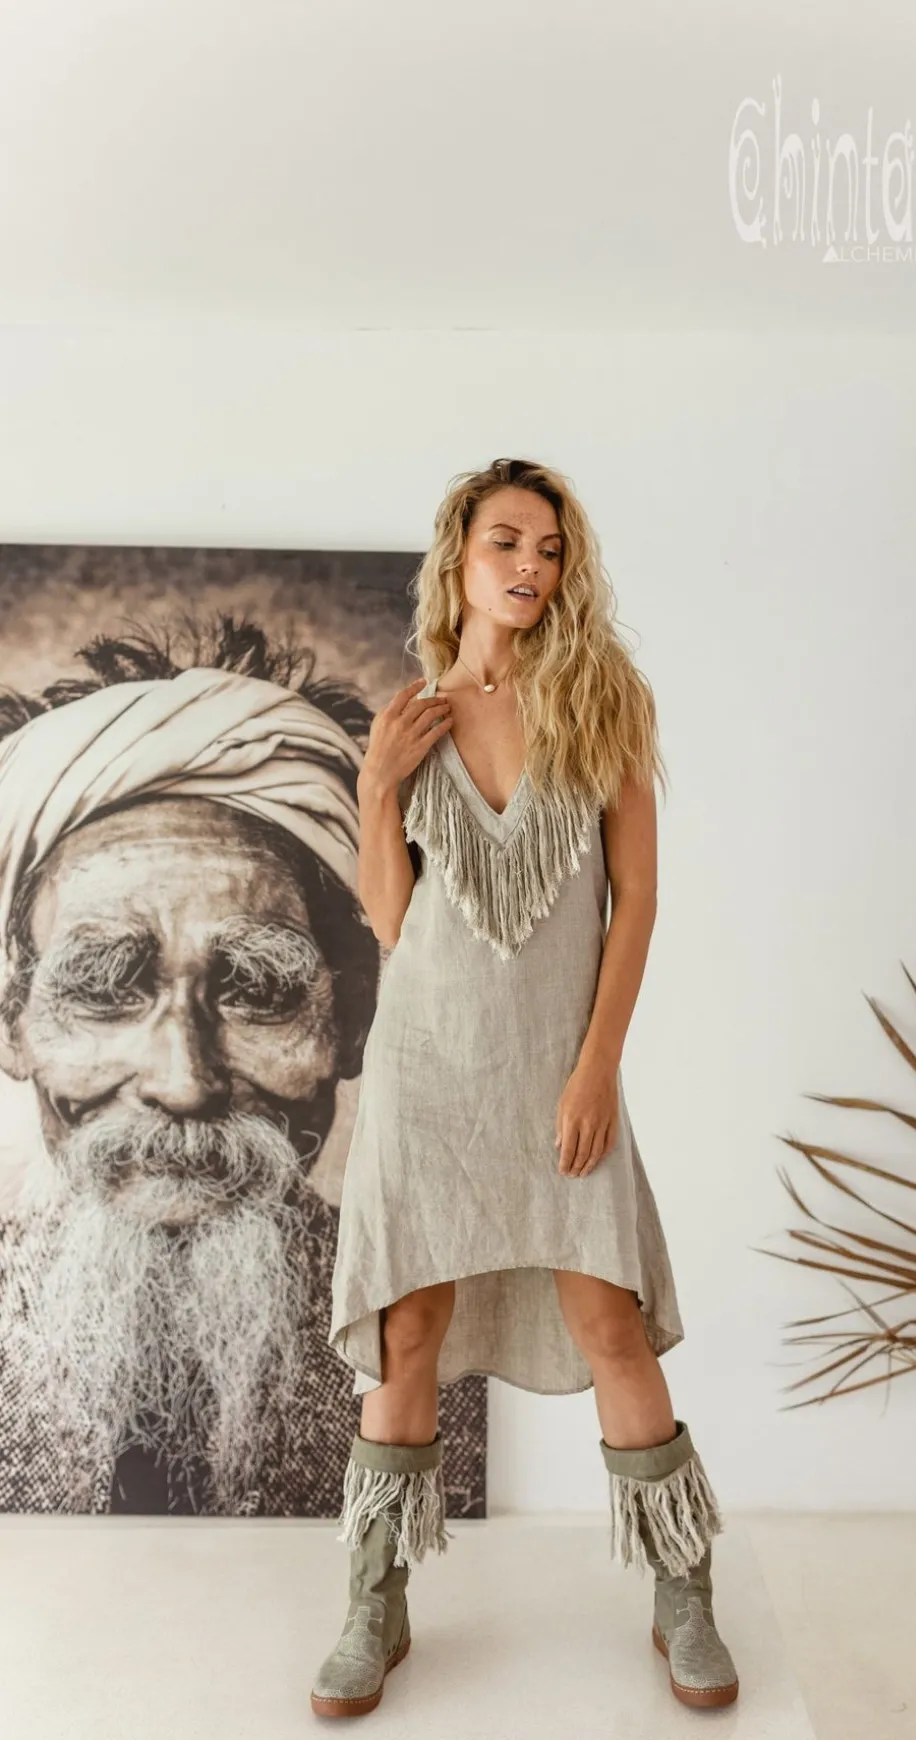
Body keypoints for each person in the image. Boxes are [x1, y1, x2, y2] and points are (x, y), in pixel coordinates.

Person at [311, 457, 740, 1715]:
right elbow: (390, 922)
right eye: (507, 540)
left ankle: (681, 1593)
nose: (530, 566)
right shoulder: (411, 716)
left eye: (549, 549)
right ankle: (374, 1602)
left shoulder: (601, 702)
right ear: (459, 553)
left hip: (557, 1069)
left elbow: (636, 901)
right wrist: (376, 787)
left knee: (609, 1323)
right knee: (408, 1332)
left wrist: (596, 1066)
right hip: (426, 1074)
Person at [0, 620, 485, 1516]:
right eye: (104, 989)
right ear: (13, 1024)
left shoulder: (456, 1364)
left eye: (257, 990)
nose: (184, 1082)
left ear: (353, 1021)